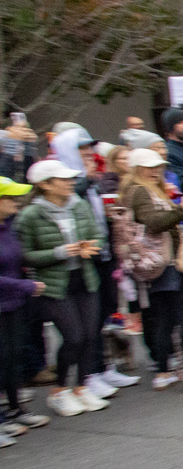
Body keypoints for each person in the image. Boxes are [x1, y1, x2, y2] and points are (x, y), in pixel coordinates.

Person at [18, 159, 112, 416]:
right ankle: (59, 391)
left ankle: (81, 387)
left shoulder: (79, 205)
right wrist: (60, 252)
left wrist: (91, 245)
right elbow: (24, 256)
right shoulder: (30, 215)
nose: (71, 183)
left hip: (85, 278)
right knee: (74, 337)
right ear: (45, 185)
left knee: (90, 334)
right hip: (53, 285)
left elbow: (98, 234)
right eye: (64, 179)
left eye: (71, 179)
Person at [119, 148, 183, 385]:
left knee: (164, 319)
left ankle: (163, 373)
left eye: (158, 166)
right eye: (149, 167)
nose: (156, 171)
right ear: (136, 169)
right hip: (166, 261)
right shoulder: (141, 191)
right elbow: (155, 223)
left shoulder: (137, 190)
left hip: (155, 262)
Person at [0, 177, 52, 442]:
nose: (16, 201)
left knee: (12, 358)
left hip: (14, 303)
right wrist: (24, 285)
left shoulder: (8, 227)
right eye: (10, 197)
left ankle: (15, 410)